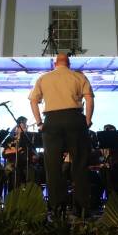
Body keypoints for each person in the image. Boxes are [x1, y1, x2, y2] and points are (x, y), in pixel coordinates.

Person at [29, 53, 94, 217]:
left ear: (54, 64)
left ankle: (57, 207)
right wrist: (87, 120)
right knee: (79, 163)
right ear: (69, 63)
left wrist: (39, 122)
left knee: (52, 167)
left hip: (52, 120)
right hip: (75, 118)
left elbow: (33, 101)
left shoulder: (44, 78)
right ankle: (82, 207)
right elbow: (89, 99)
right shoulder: (78, 77)